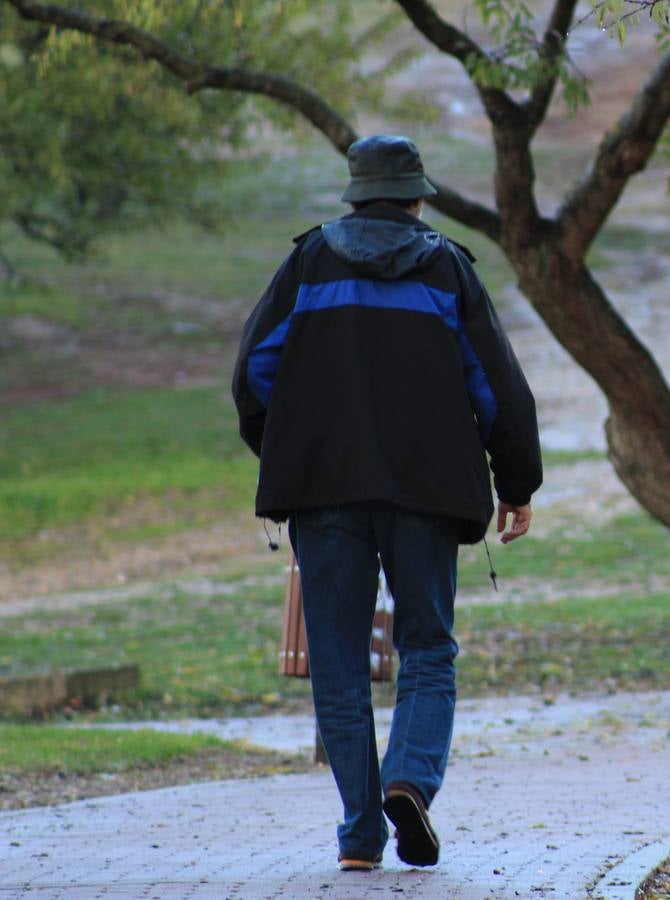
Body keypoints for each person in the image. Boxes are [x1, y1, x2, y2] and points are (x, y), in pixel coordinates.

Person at [231, 134, 542, 871]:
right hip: (426, 490)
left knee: (338, 663)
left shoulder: (307, 263)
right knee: (428, 646)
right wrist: (517, 482)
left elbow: (253, 374)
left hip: (322, 490)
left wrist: (289, 447)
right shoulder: (447, 269)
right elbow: (497, 387)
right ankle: (410, 781)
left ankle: (361, 838)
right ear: (417, 196)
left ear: (354, 194)